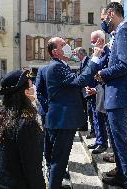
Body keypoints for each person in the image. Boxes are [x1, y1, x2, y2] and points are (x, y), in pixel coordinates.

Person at [95, 3, 127, 189]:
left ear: (111, 14)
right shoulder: (119, 34)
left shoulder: (125, 32)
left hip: (119, 97)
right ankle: (121, 176)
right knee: (116, 141)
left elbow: (125, 65)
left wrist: (103, 74)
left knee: (122, 143)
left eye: (103, 19)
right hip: (113, 96)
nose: (103, 23)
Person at [45, 37, 102, 189]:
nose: (68, 46)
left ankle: (54, 184)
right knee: (59, 159)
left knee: (58, 158)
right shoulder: (56, 67)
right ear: (55, 51)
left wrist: (84, 92)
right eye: (63, 44)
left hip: (61, 120)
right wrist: (95, 58)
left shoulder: (61, 65)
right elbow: (79, 81)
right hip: (62, 121)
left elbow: (67, 89)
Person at [0, 70, 45, 189]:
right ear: (26, 92)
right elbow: (32, 167)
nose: (34, 89)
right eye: (31, 86)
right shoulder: (26, 123)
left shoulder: (4, 114)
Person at [85, 30, 111, 154]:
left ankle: (103, 143)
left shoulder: (107, 53)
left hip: (104, 90)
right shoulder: (99, 53)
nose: (92, 44)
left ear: (100, 41)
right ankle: (99, 140)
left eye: (93, 42)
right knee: (96, 117)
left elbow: (104, 72)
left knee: (101, 117)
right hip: (97, 89)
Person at [74, 47, 95, 137]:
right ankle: (84, 126)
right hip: (82, 90)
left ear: (80, 54)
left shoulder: (89, 61)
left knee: (91, 111)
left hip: (89, 90)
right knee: (84, 110)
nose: (75, 56)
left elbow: (90, 74)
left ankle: (94, 131)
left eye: (76, 54)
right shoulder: (81, 62)